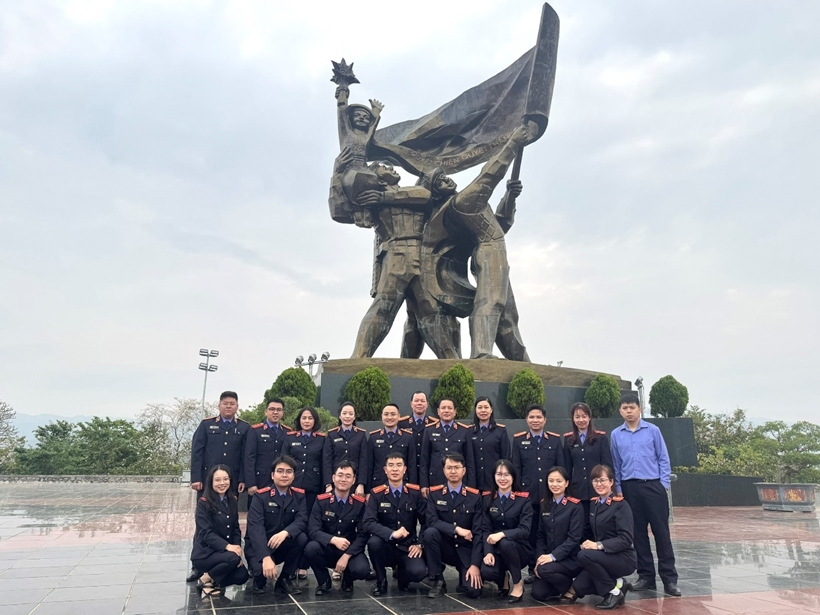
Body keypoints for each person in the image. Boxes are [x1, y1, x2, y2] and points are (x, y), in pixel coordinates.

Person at [610, 393, 680, 596]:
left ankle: (669, 579)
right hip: (629, 489)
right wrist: (619, 489)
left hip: (653, 486)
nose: (629, 411)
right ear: (620, 411)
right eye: (625, 408)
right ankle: (646, 576)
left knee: (661, 533)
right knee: (638, 534)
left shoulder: (653, 430)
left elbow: (663, 458)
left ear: (639, 409)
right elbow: (616, 464)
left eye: (632, 407)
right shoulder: (616, 435)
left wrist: (663, 484)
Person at [188, 391, 251, 583]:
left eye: (232, 403)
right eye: (225, 403)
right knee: (204, 522)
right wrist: (196, 477)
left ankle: (226, 558)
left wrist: (242, 479)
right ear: (219, 405)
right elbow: (197, 451)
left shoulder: (244, 428)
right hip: (209, 482)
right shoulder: (207, 425)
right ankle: (198, 566)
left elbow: (246, 456)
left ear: (237, 406)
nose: (228, 406)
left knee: (229, 520)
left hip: (231, 482)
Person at [511, 404, 565, 583]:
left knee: (551, 531)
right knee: (532, 533)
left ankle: (551, 565)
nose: (535, 420)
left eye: (539, 417)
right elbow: (516, 469)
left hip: (551, 495)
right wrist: (519, 494)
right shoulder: (519, 440)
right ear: (527, 420)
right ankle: (533, 569)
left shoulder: (554, 440)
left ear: (545, 420)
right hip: (529, 496)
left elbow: (561, 468)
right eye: (532, 417)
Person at [573, 464, 636, 610]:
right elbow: (589, 531)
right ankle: (620, 584)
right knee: (580, 587)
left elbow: (626, 539)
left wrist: (598, 545)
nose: (599, 484)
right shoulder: (594, 504)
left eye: (602, 480)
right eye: (595, 480)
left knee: (584, 556)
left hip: (623, 557)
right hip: (603, 557)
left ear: (611, 482)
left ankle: (614, 593)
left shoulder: (621, 505)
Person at [422, 452, 485, 599]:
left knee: (473, 591)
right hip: (444, 547)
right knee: (430, 533)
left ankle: (464, 577)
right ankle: (438, 580)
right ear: (444, 471)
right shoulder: (435, 494)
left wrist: (475, 564)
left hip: (465, 550)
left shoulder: (474, 496)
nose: (453, 471)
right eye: (449, 468)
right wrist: (456, 529)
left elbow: (478, 532)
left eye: (457, 467)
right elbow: (431, 520)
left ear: (464, 470)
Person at [364, 452, 427, 595]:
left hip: (407, 547)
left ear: (404, 469)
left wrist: (420, 544)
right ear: (385, 470)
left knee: (418, 573)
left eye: (399, 465)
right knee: (373, 543)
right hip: (385, 545)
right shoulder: (377, 494)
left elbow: (427, 521)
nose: (394, 469)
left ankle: (403, 573)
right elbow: (368, 522)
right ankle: (381, 581)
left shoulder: (414, 493)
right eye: (391, 465)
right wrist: (392, 534)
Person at [304, 460, 370, 595]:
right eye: (340, 475)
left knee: (362, 570)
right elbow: (313, 530)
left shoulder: (359, 504)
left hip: (349, 550)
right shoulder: (321, 501)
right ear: (333, 478)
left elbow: (363, 534)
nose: (343, 479)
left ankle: (348, 580)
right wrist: (333, 539)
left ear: (354, 480)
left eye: (348, 476)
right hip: (327, 548)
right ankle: (324, 582)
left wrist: (347, 555)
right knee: (311, 548)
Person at [244, 455, 308, 595]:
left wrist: (285, 532)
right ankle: (259, 577)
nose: (284, 475)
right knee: (260, 574)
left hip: (281, 544)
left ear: (293, 476)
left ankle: (284, 579)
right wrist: (265, 557)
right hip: (260, 546)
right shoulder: (260, 496)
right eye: (280, 471)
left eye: (289, 472)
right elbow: (256, 529)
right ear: (272, 475)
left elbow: (302, 520)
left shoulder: (299, 496)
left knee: (302, 538)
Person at [190, 465, 249, 597]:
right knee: (232, 559)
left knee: (242, 576)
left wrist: (236, 548)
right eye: (217, 480)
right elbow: (205, 533)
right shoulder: (204, 503)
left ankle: (212, 581)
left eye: (225, 479)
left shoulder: (232, 500)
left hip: (225, 553)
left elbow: (235, 529)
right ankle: (204, 579)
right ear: (211, 482)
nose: (222, 483)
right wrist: (228, 547)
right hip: (205, 554)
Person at [282, 407, 326, 580]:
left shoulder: (321, 439)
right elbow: (283, 461)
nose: (307, 421)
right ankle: (291, 565)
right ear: (299, 420)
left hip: (312, 488)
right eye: (304, 418)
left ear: (315, 421)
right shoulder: (290, 438)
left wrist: (326, 486)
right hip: (293, 488)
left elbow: (324, 464)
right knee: (293, 525)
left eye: (310, 418)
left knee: (309, 525)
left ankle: (303, 566)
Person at [479, 459, 531, 603]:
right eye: (499, 474)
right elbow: (485, 529)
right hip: (496, 549)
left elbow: (525, 530)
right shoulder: (487, 498)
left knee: (506, 543)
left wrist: (502, 534)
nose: (502, 478)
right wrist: (488, 552)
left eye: (506, 475)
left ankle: (518, 583)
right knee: (487, 572)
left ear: (513, 477)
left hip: (519, 549)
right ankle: (503, 578)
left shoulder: (523, 500)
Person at [531, 466, 583, 603]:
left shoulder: (575, 506)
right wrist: (539, 558)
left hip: (569, 559)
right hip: (549, 559)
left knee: (544, 571)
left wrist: (552, 556)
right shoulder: (545, 504)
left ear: (566, 483)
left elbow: (574, 539)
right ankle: (558, 586)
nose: (555, 484)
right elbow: (540, 535)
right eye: (551, 481)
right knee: (538, 593)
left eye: (559, 481)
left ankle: (570, 587)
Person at [563, 402, 612, 517]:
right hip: (578, 489)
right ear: (573, 419)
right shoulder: (568, 439)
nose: (581, 420)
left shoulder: (600, 438)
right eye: (577, 417)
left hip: (598, 487)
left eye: (584, 416)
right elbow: (567, 467)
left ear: (589, 417)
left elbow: (607, 465)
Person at [420, 398, 475, 494]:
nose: (446, 411)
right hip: (435, 480)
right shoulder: (429, 430)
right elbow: (424, 460)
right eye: (443, 408)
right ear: (438, 411)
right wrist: (424, 484)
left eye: (450, 408)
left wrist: (470, 486)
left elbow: (469, 460)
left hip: (458, 481)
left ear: (455, 411)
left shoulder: (464, 431)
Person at [245, 398, 291, 496]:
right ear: (266, 411)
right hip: (260, 480)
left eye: (279, 410)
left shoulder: (287, 432)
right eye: (272, 409)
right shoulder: (255, 431)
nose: (275, 412)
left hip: (281, 480)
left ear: (282, 413)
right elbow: (249, 458)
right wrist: (251, 483)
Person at [366, 404, 417, 489]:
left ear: (399, 416)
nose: (389, 417)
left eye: (393, 414)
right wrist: (367, 490)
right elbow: (369, 465)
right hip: (378, 484)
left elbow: (412, 465)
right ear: (382, 416)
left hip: (402, 484)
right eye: (386, 414)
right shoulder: (373, 437)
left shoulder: (408, 437)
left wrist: (413, 488)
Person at [323, 402, 368, 496]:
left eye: (351, 414)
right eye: (344, 413)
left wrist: (361, 484)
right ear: (340, 416)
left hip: (354, 482)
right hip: (336, 481)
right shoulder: (332, 434)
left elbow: (364, 461)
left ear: (354, 417)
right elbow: (327, 460)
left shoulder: (361, 435)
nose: (347, 416)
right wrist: (328, 484)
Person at [469, 397, 510, 492]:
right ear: (475, 410)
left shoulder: (500, 431)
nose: (483, 410)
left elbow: (506, 457)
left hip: (495, 481)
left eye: (486, 407)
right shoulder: (469, 431)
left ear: (491, 410)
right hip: (475, 481)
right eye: (480, 407)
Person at [398, 391, 439, 483]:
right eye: (416, 401)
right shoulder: (401, 424)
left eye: (422, 401)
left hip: (429, 471)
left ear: (427, 404)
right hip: (407, 472)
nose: (419, 403)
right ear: (411, 404)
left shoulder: (435, 424)